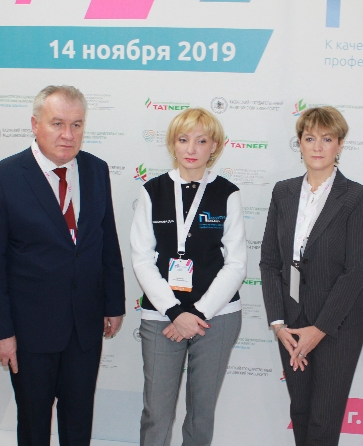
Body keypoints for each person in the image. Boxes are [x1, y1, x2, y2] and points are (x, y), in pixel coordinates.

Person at [0, 85, 125, 446]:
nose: (67, 134)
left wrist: (113, 303)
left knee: (79, 418)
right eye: (57, 123)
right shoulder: (2, 178)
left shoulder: (95, 169)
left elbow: (106, 239)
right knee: (33, 421)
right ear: (35, 124)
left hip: (84, 324)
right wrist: (0, 331)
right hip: (29, 331)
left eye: (76, 124)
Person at [130, 107, 246, 446]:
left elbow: (236, 264)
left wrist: (196, 314)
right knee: (157, 413)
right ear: (172, 144)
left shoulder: (227, 192)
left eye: (201, 141)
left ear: (215, 146)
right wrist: (175, 312)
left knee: (200, 414)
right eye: (183, 140)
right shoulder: (153, 190)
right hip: (161, 317)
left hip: (216, 318)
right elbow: (142, 259)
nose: (191, 149)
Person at [260, 106, 363, 445]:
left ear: (340, 144)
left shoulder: (355, 196)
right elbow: (270, 262)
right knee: (301, 412)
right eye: (310, 138)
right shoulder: (283, 192)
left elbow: (355, 270)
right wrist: (278, 323)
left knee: (324, 419)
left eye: (327, 139)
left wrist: (320, 328)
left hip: (338, 325)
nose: (318, 147)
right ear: (299, 143)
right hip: (292, 324)